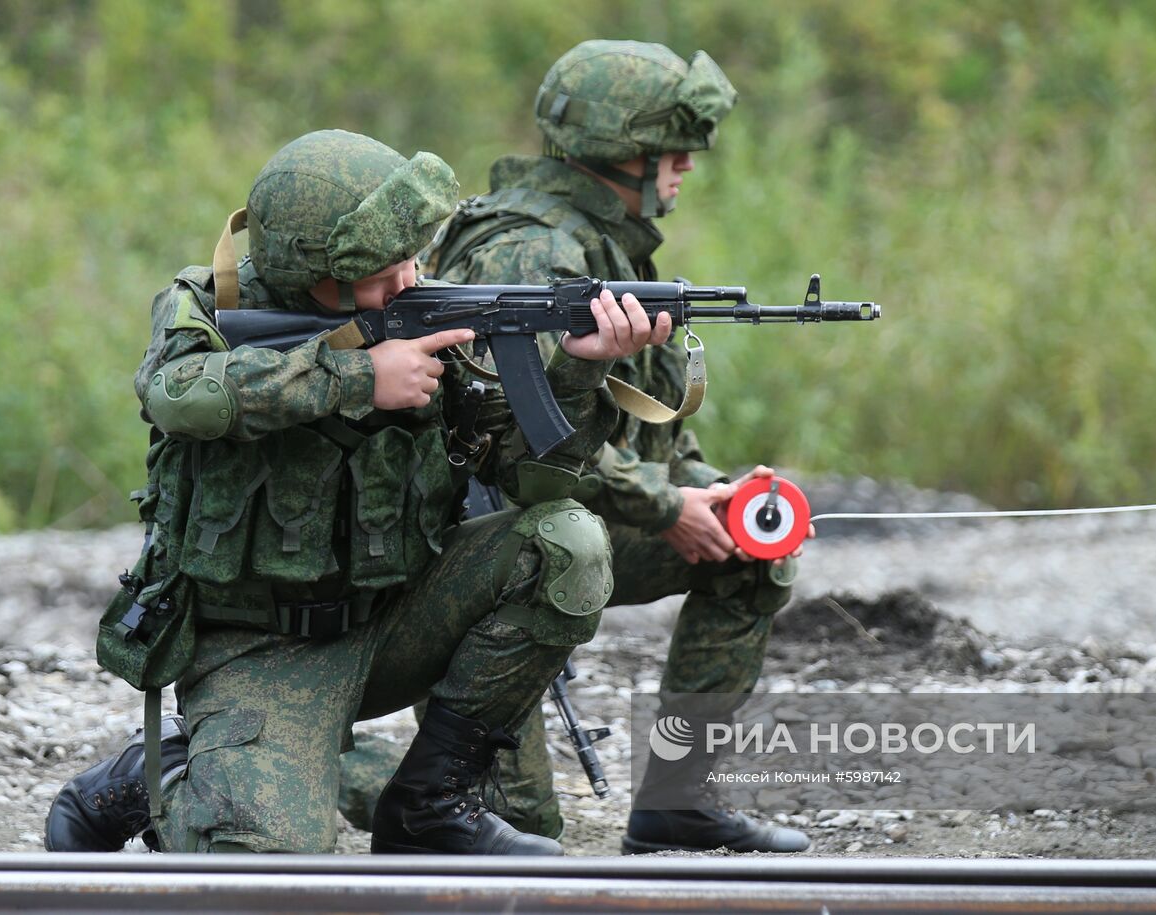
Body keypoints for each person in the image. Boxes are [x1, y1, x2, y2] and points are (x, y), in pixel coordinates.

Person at [43, 128, 671, 855]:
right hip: (260, 648)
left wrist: (581, 370)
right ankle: (153, 779)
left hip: (398, 614)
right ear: (317, 269)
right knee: (267, 866)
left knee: (567, 541)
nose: (407, 278)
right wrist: (359, 376)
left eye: (410, 255)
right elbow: (179, 394)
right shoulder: (209, 305)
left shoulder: (426, 308)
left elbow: (529, 478)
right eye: (381, 267)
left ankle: (431, 804)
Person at [342, 40, 812, 854]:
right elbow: (511, 452)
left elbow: (642, 423)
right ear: (623, 151)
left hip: (569, 525)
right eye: (674, 151)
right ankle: (282, 760)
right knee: (513, 834)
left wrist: (704, 489)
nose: (686, 169)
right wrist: (662, 506)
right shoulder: (531, 248)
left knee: (749, 541)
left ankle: (678, 801)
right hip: (483, 556)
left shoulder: (608, 243)